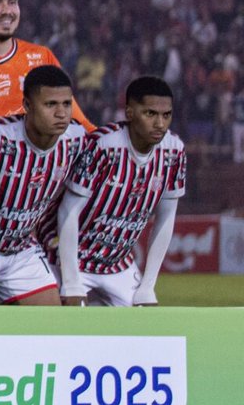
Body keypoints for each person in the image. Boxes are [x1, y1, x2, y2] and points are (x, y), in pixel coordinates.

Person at [0, 65, 86, 305]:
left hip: (21, 249)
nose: (61, 113)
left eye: (66, 104)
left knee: (50, 330)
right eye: (51, 105)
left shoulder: (76, 140)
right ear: (27, 105)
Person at [54, 76, 186, 307]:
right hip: (73, 261)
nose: (160, 124)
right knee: (68, 330)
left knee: (149, 328)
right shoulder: (103, 146)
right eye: (150, 114)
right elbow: (68, 212)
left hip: (118, 265)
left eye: (166, 115)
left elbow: (166, 218)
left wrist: (147, 286)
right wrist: (72, 281)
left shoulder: (174, 151)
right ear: (130, 112)